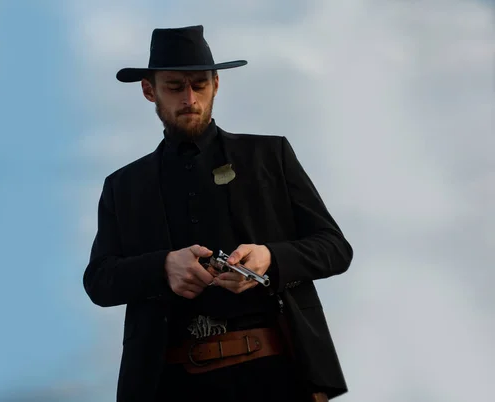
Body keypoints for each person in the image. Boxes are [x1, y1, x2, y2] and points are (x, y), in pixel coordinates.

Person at [83, 25, 353, 402]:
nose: (190, 98)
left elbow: (336, 249)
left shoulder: (270, 156)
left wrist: (270, 259)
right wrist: (164, 267)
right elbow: (98, 280)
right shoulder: (122, 186)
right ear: (149, 90)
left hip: (279, 375)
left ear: (216, 84)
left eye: (200, 84)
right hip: (169, 386)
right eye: (175, 87)